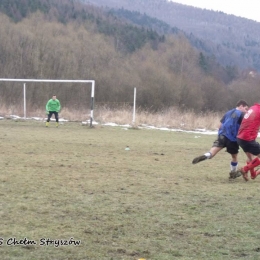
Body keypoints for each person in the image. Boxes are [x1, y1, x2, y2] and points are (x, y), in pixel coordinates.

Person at [192, 100, 249, 177]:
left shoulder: (228, 113)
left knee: (212, 152)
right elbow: (246, 125)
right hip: (232, 139)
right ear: (241, 106)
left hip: (222, 135)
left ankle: (206, 155)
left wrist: (221, 134)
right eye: (246, 109)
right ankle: (233, 172)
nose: (246, 111)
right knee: (234, 157)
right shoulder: (241, 115)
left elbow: (220, 125)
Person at [230, 102, 260, 181]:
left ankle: (253, 174)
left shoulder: (253, 108)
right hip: (247, 138)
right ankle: (244, 169)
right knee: (253, 158)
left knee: (250, 158)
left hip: (241, 138)